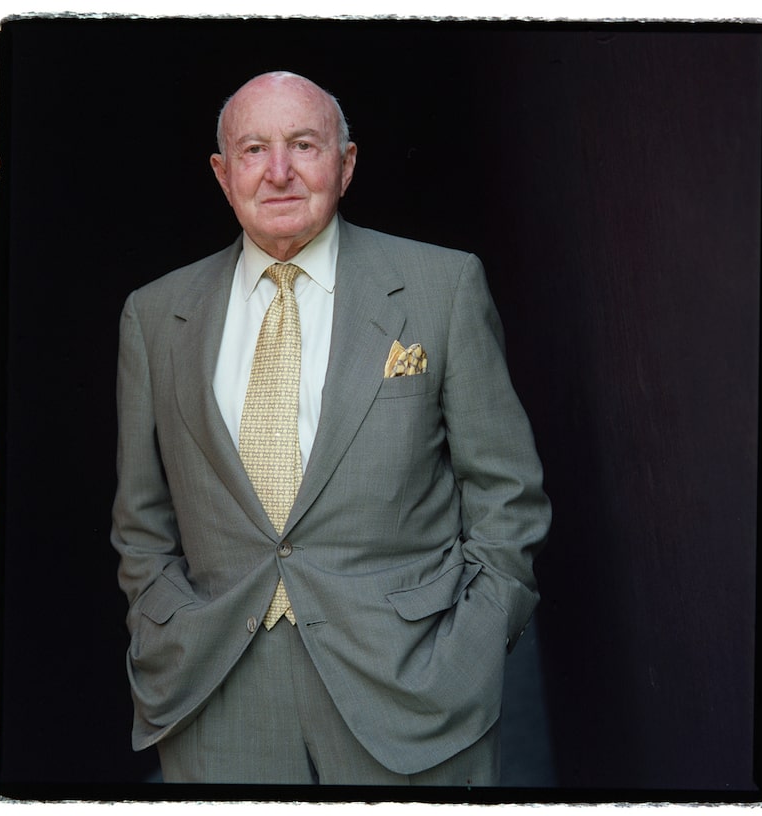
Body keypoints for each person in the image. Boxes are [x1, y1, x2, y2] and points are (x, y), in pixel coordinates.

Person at [111, 70, 551, 786]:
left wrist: (471, 647)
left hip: (410, 688)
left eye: (304, 145)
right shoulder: (156, 315)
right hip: (217, 693)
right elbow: (141, 518)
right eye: (254, 149)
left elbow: (509, 494)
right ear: (224, 175)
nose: (278, 171)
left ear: (345, 164)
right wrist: (163, 627)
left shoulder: (442, 286)